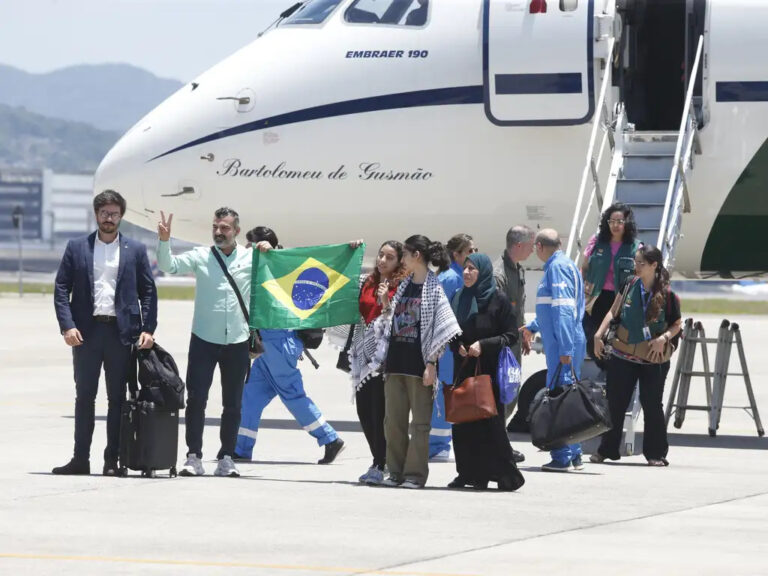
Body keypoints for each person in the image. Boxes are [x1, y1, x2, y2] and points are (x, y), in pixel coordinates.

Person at [52, 190, 157, 476]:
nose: (108, 218)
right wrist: (67, 325)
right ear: (96, 214)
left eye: (113, 214)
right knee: (84, 397)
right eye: (104, 213)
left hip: (121, 335)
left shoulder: (135, 250)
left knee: (117, 400)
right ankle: (80, 459)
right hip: (86, 333)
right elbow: (61, 288)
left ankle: (113, 461)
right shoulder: (77, 247)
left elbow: (148, 291)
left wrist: (148, 328)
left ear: (121, 216)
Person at [234, 227, 346, 465]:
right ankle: (241, 449)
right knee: (250, 397)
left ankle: (329, 439)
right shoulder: (257, 267)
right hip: (267, 347)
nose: (246, 249)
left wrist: (271, 256)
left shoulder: (279, 269)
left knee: (293, 396)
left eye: (250, 245)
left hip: (279, 344)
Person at [359, 235, 461, 488]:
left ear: (416, 256)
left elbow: (443, 328)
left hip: (419, 367)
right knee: (392, 422)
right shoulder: (404, 286)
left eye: (405, 254)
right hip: (395, 364)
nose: (402, 258)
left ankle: (414, 475)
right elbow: (391, 319)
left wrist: (431, 363)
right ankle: (395, 472)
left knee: (420, 424)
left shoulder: (434, 288)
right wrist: (385, 302)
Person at [156, 208, 250, 478]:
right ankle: (193, 455)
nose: (219, 232)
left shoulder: (250, 257)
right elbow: (168, 266)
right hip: (203, 339)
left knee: (233, 403)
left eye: (225, 228)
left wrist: (268, 245)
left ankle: (226, 457)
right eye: (216, 227)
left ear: (237, 231)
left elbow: (279, 266)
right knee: (196, 400)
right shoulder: (201, 256)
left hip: (237, 340)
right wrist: (164, 241)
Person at [592, 245, 682, 466]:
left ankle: (655, 453)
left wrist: (663, 339)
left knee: (652, 404)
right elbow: (614, 311)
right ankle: (607, 449)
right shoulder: (630, 284)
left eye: (641, 263)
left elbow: (677, 324)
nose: (636, 266)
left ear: (654, 265)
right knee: (615, 402)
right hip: (623, 354)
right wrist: (598, 334)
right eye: (635, 262)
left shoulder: (669, 295)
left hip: (653, 358)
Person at [447, 253, 525, 491]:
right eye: (465, 268)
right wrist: (456, 345)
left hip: (488, 370)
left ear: (483, 272)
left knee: (490, 423)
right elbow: (451, 330)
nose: (467, 272)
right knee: (463, 422)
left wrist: (484, 345)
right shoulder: (459, 297)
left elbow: (511, 334)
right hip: (463, 367)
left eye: (473, 269)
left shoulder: (498, 300)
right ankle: (468, 474)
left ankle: (505, 475)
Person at [521, 229, 586, 472]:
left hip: (562, 342)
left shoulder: (556, 268)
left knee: (559, 399)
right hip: (565, 339)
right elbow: (553, 307)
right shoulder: (565, 265)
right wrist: (534, 325)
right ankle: (575, 453)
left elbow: (564, 310)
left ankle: (562, 456)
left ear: (539, 246)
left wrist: (566, 348)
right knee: (569, 397)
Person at [349, 241, 405, 484]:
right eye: (381, 255)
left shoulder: (401, 286)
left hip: (385, 360)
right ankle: (377, 460)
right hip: (363, 358)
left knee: (381, 413)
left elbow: (399, 321)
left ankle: (383, 463)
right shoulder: (368, 282)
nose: (382, 260)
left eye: (389, 257)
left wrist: (385, 302)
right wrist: (349, 252)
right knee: (364, 411)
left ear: (399, 262)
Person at [429, 233, 474, 462]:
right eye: (469, 251)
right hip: (446, 346)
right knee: (442, 393)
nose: (473, 256)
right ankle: (438, 445)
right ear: (456, 254)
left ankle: (439, 444)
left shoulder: (450, 276)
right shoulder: (452, 279)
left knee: (444, 392)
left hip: (447, 344)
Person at [582, 203, 640, 368]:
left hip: (621, 300)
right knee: (592, 339)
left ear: (627, 223)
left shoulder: (636, 247)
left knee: (617, 341)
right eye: (611, 221)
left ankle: (613, 375)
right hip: (596, 298)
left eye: (620, 221)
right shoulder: (596, 242)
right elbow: (584, 268)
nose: (615, 225)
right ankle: (606, 369)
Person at [494, 225, 534, 421]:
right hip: (503, 343)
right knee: (503, 392)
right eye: (530, 245)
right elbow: (495, 313)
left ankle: (498, 440)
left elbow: (518, 304)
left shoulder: (518, 269)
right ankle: (496, 442)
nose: (533, 249)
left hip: (515, 340)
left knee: (511, 390)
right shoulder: (499, 274)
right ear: (519, 245)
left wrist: (524, 329)